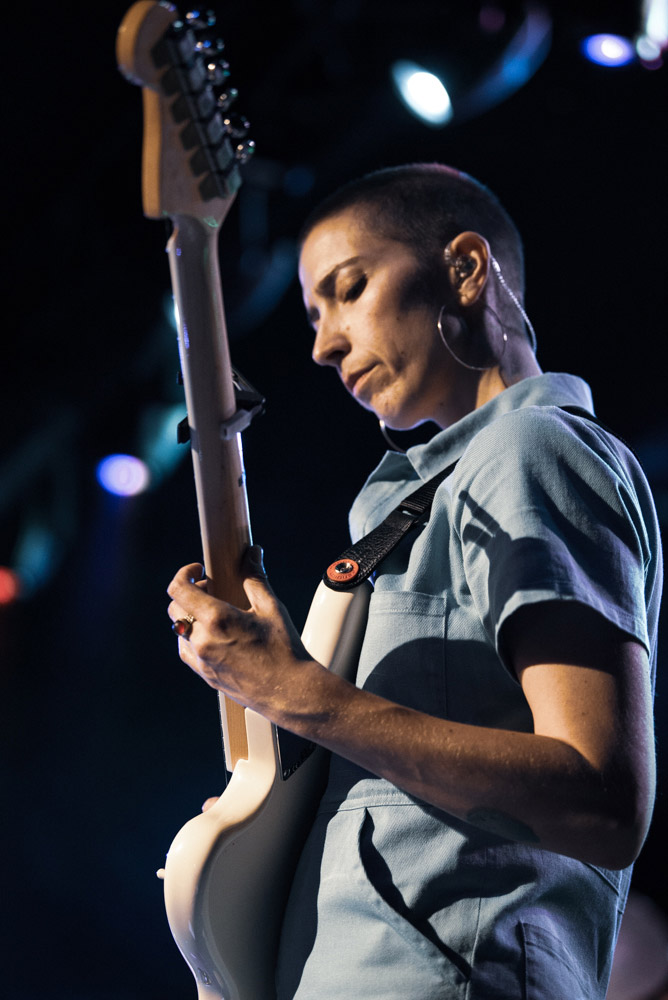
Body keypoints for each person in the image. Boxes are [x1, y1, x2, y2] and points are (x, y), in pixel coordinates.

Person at [167, 164, 662, 999]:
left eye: (349, 289)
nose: (323, 346)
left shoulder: (533, 448)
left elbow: (603, 799)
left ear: (465, 268)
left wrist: (300, 694)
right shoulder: (417, 503)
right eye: (313, 317)